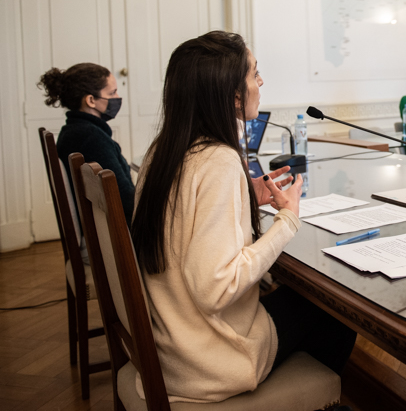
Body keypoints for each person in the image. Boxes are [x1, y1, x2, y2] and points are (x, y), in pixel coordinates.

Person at [130, 31, 355, 403]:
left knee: (299, 302)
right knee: (337, 312)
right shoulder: (218, 160)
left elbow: (184, 216)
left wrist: (245, 193)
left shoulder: (163, 150)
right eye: (255, 73)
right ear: (234, 95)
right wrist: (288, 219)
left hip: (170, 342)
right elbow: (217, 288)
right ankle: (312, 402)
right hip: (208, 360)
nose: (261, 82)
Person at [38, 63, 135, 229]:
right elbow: (125, 199)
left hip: (103, 226)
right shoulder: (91, 138)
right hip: (118, 230)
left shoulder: (73, 131)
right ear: (91, 100)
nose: (117, 97)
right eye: (112, 93)